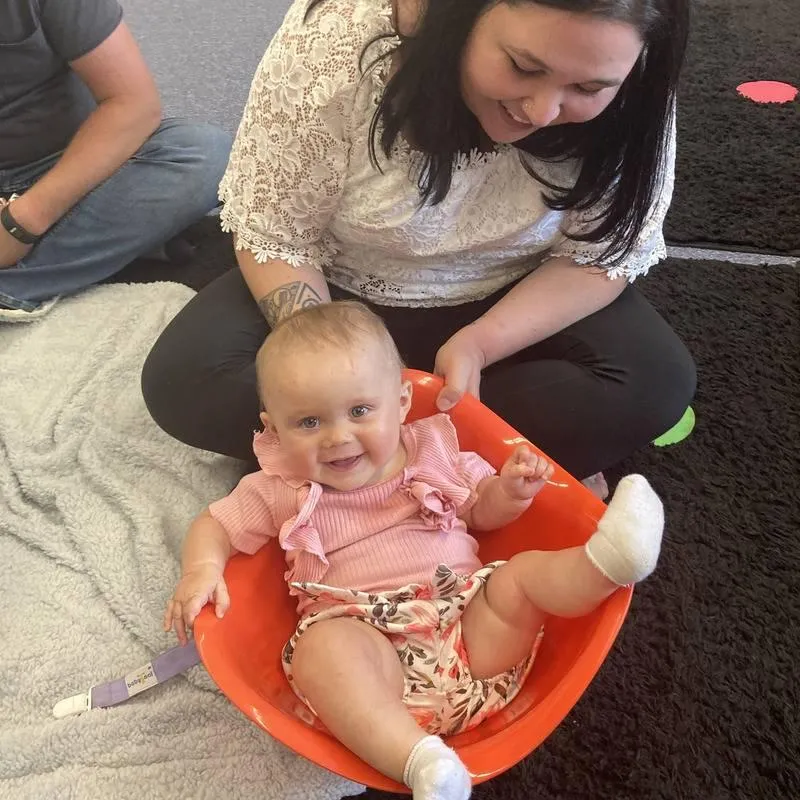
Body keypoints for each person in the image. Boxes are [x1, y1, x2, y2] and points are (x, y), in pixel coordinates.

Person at [142, 0, 696, 492]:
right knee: (185, 380)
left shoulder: (633, 75)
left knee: (653, 382)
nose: (542, 111)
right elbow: (276, 233)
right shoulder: (338, 41)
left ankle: (351, 468)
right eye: (524, 68)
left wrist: (480, 344)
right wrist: (341, 371)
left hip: (513, 293)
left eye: (588, 90)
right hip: (341, 286)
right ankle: (464, 464)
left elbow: (600, 256)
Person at [163, 301, 665, 800]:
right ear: (273, 428)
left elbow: (481, 511)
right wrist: (201, 568)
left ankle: (608, 562)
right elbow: (217, 524)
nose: (338, 437)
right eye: (309, 423)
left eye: (360, 411)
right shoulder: (280, 486)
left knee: (518, 578)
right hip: (371, 660)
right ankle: (423, 764)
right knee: (323, 650)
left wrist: (510, 492)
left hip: (472, 632)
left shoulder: (435, 450)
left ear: (402, 403)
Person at [0, 0, 231, 320]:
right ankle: (90, 252)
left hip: (68, 164)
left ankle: (16, 281)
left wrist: (22, 223)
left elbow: (134, 105)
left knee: (206, 153)